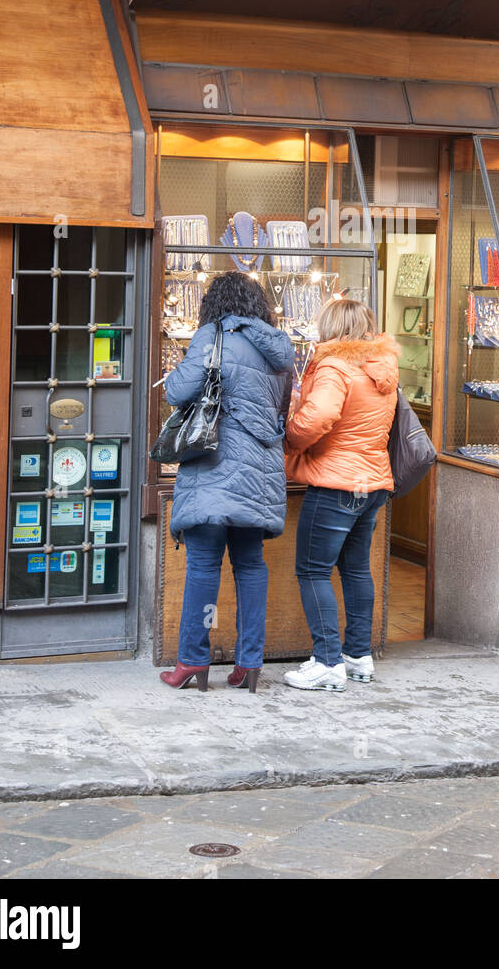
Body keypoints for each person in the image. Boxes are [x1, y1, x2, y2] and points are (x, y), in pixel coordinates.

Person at [159, 270, 293, 695]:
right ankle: (249, 664)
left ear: (213, 304)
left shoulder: (213, 335)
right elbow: (282, 406)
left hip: (215, 467)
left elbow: (177, 391)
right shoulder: (279, 350)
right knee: (251, 567)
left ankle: (193, 659)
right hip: (261, 469)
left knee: (203, 568)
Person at [284, 298, 398, 692]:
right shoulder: (381, 368)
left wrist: (291, 439)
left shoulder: (335, 365)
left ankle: (327, 661)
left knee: (313, 570)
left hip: (335, 483)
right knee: (355, 570)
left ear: (331, 327)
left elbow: (318, 417)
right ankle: (358, 656)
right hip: (371, 483)